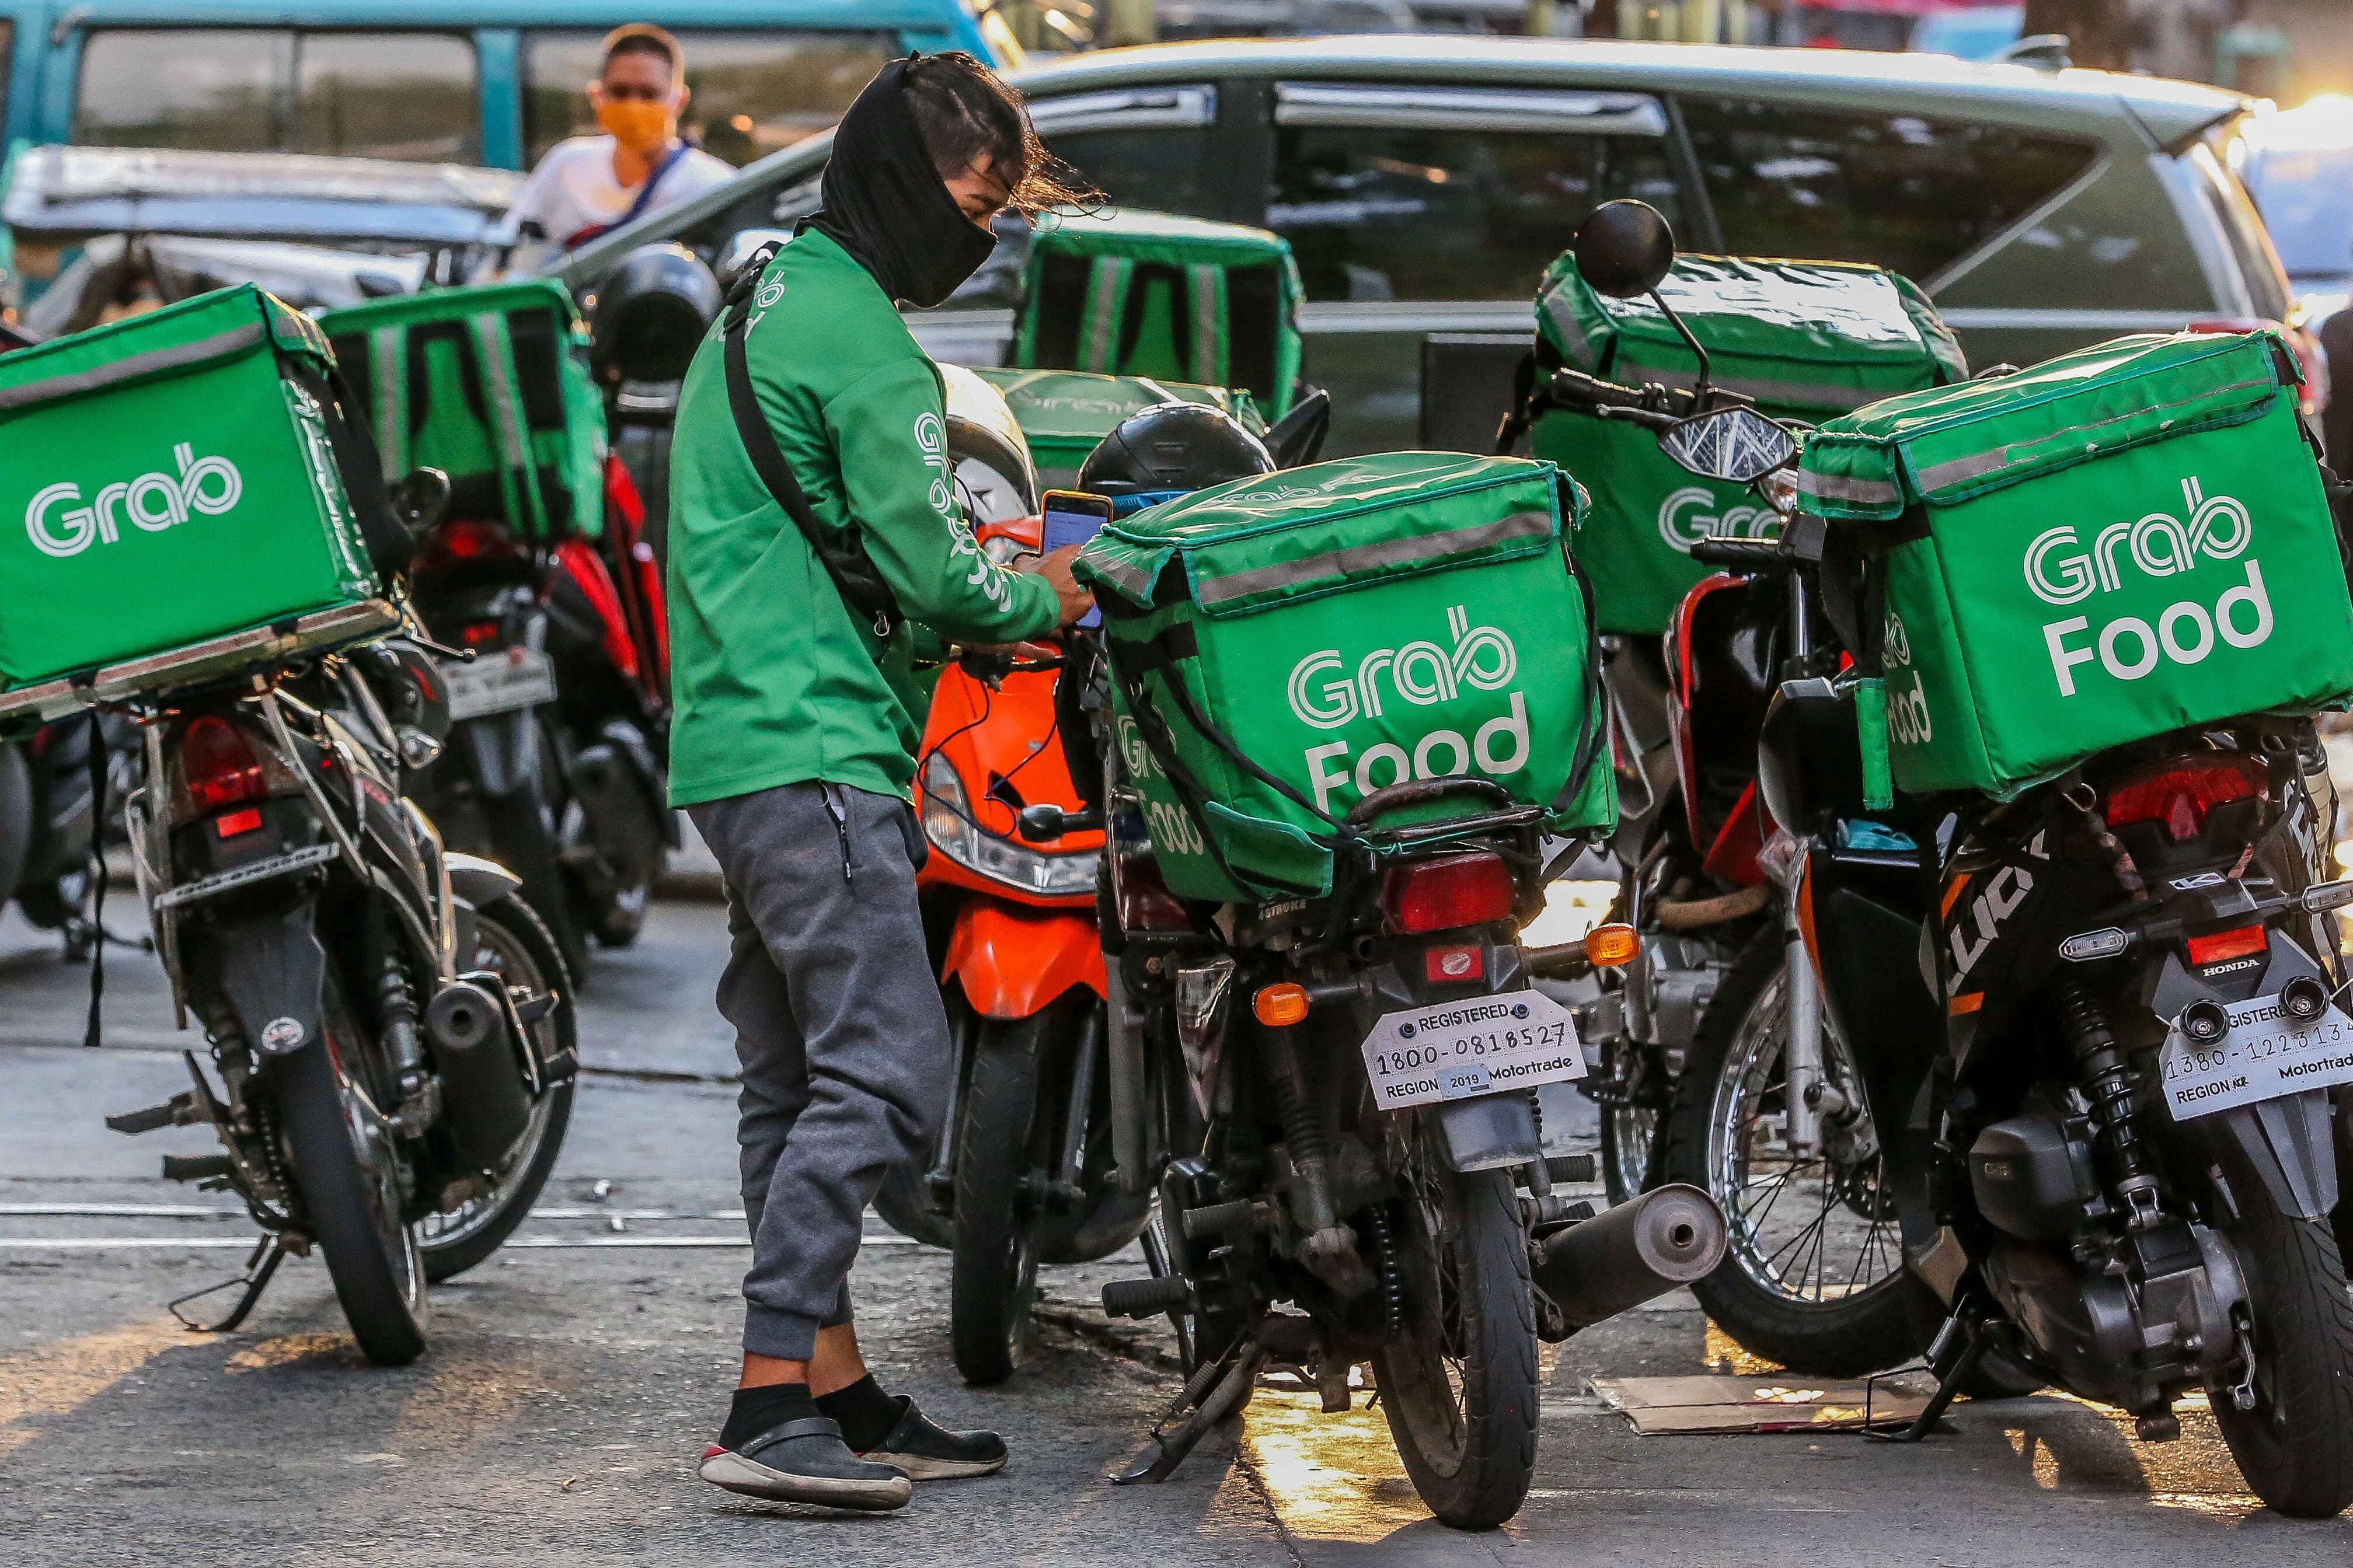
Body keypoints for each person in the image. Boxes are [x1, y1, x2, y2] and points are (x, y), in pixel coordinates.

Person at [665, 54, 1095, 1513]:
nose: (976, 235)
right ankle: (764, 1390)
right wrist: (1059, 584)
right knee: (891, 1073)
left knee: (790, 1073)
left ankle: (831, 1385)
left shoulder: (772, 296)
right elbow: (938, 570)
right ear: (901, 183)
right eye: (971, 202)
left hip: (736, 739)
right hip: (816, 746)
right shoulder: (858, 342)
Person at [504, 24, 734, 253]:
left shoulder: (714, 186)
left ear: (679, 101)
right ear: (597, 96)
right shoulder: (566, 164)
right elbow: (509, 246)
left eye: (649, 94)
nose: (633, 106)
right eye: (620, 92)